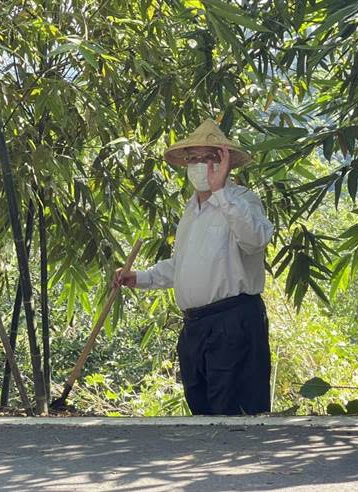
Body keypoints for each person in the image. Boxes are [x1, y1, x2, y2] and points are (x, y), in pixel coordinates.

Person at [114, 119, 274, 415]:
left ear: (225, 162)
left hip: (233, 322)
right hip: (196, 327)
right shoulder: (191, 209)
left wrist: (221, 193)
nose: (201, 165)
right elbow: (183, 264)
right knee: (202, 412)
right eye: (194, 159)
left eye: (209, 158)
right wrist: (141, 278)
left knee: (235, 414)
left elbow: (256, 240)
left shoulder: (242, 200)